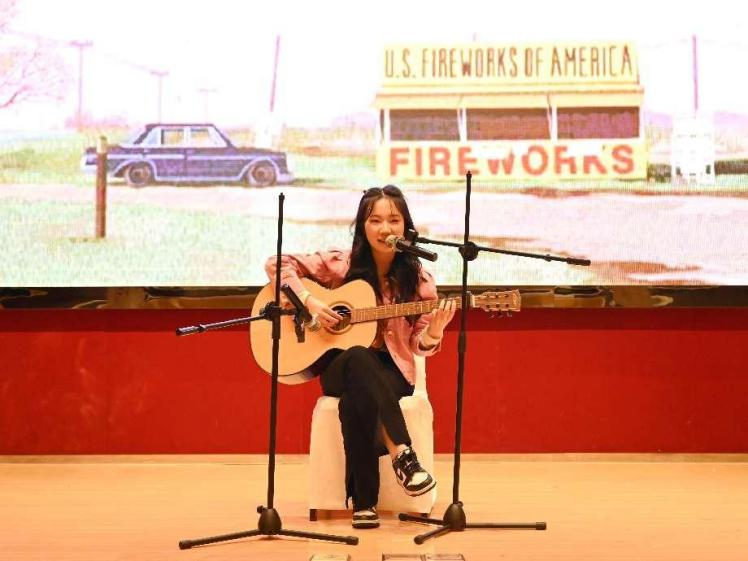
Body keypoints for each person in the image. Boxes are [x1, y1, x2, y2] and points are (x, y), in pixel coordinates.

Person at [265, 185, 455, 529]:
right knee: (356, 356)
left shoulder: (418, 280)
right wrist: (310, 302)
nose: (385, 228)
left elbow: (418, 345)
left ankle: (364, 503)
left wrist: (435, 333)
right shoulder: (341, 265)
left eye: (394, 220)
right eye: (375, 220)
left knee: (357, 399)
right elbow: (278, 263)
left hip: (392, 371)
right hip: (338, 364)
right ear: (362, 226)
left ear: (406, 226)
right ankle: (403, 455)